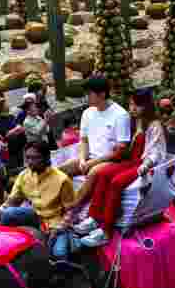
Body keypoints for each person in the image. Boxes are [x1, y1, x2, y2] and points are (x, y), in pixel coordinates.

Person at [70, 88, 166, 247]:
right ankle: (94, 218)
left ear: (147, 106)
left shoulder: (154, 125)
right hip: (129, 161)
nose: (132, 109)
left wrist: (146, 165)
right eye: (131, 105)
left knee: (116, 182)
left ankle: (105, 231)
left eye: (137, 106)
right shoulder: (134, 120)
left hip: (140, 164)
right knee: (102, 173)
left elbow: (156, 151)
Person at [0, 142, 76, 260]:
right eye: (28, 157)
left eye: (35, 158)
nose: (30, 162)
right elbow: (9, 204)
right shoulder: (23, 176)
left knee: (59, 253)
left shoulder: (62, 179)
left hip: (56, 222)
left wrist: (59, 229)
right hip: (36, 216)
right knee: (8, 214)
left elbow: (71, 211)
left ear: (46, 158)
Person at [60, 75, 131, 180]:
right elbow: (84, 141)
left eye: (89, 94)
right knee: (58, 171)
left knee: (93, 173)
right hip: (90, 158)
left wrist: (93, 163)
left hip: (110, 161)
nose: (86, 97)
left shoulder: (120, 115)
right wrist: (83, 160)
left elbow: (120, 151)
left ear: (102, 94)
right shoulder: (87, 113)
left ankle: (77, 197)